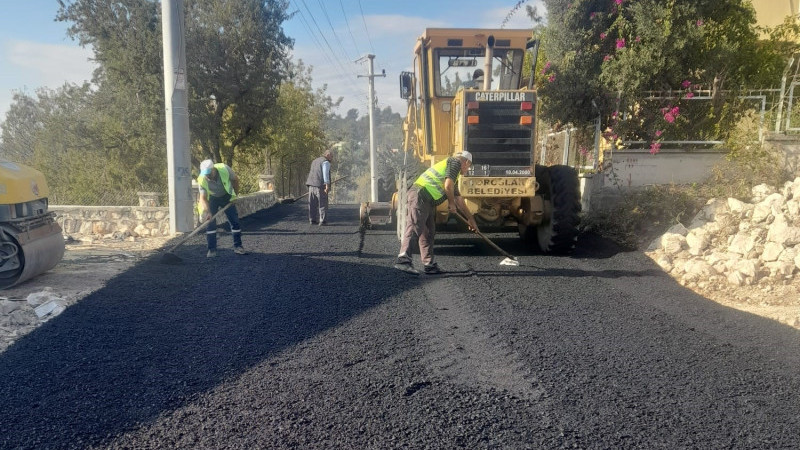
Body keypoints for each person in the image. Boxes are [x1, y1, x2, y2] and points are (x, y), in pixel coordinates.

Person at [394, 151, 479, 274]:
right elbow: (448, 187)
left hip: (427, 200)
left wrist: (471, 220)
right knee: (414, 227)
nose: (467, 169)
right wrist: (451, 204)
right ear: (466, 162)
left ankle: (429, 265)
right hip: (420, 194)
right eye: (469, 166)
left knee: (428, 232)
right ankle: (403, 261)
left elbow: (459, 199)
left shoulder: (453, 175)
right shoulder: (455, 162)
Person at [197, 159, 246, 257]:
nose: (207, 176)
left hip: (226, 196)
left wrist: (235, 195)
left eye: (209, 173)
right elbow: (203, 198)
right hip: (212, 199)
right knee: (210, 223)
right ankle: (212, 250)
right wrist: (208, 211)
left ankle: (238, 246)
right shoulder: (202, 179)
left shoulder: (224, 168)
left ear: (214, 169)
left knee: (234, 221)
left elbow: (235, 180)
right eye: (205, 174)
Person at [305, 149, 333, 225]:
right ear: (327, 155)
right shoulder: (325, 162)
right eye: (331, 156)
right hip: (320, 186)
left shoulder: (314, 161)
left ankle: (312, 220)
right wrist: (327, 185)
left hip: (311, 185)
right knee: (323, 203)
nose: (332, 158)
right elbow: (325, 174)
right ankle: (323, 221)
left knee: (312, 204)